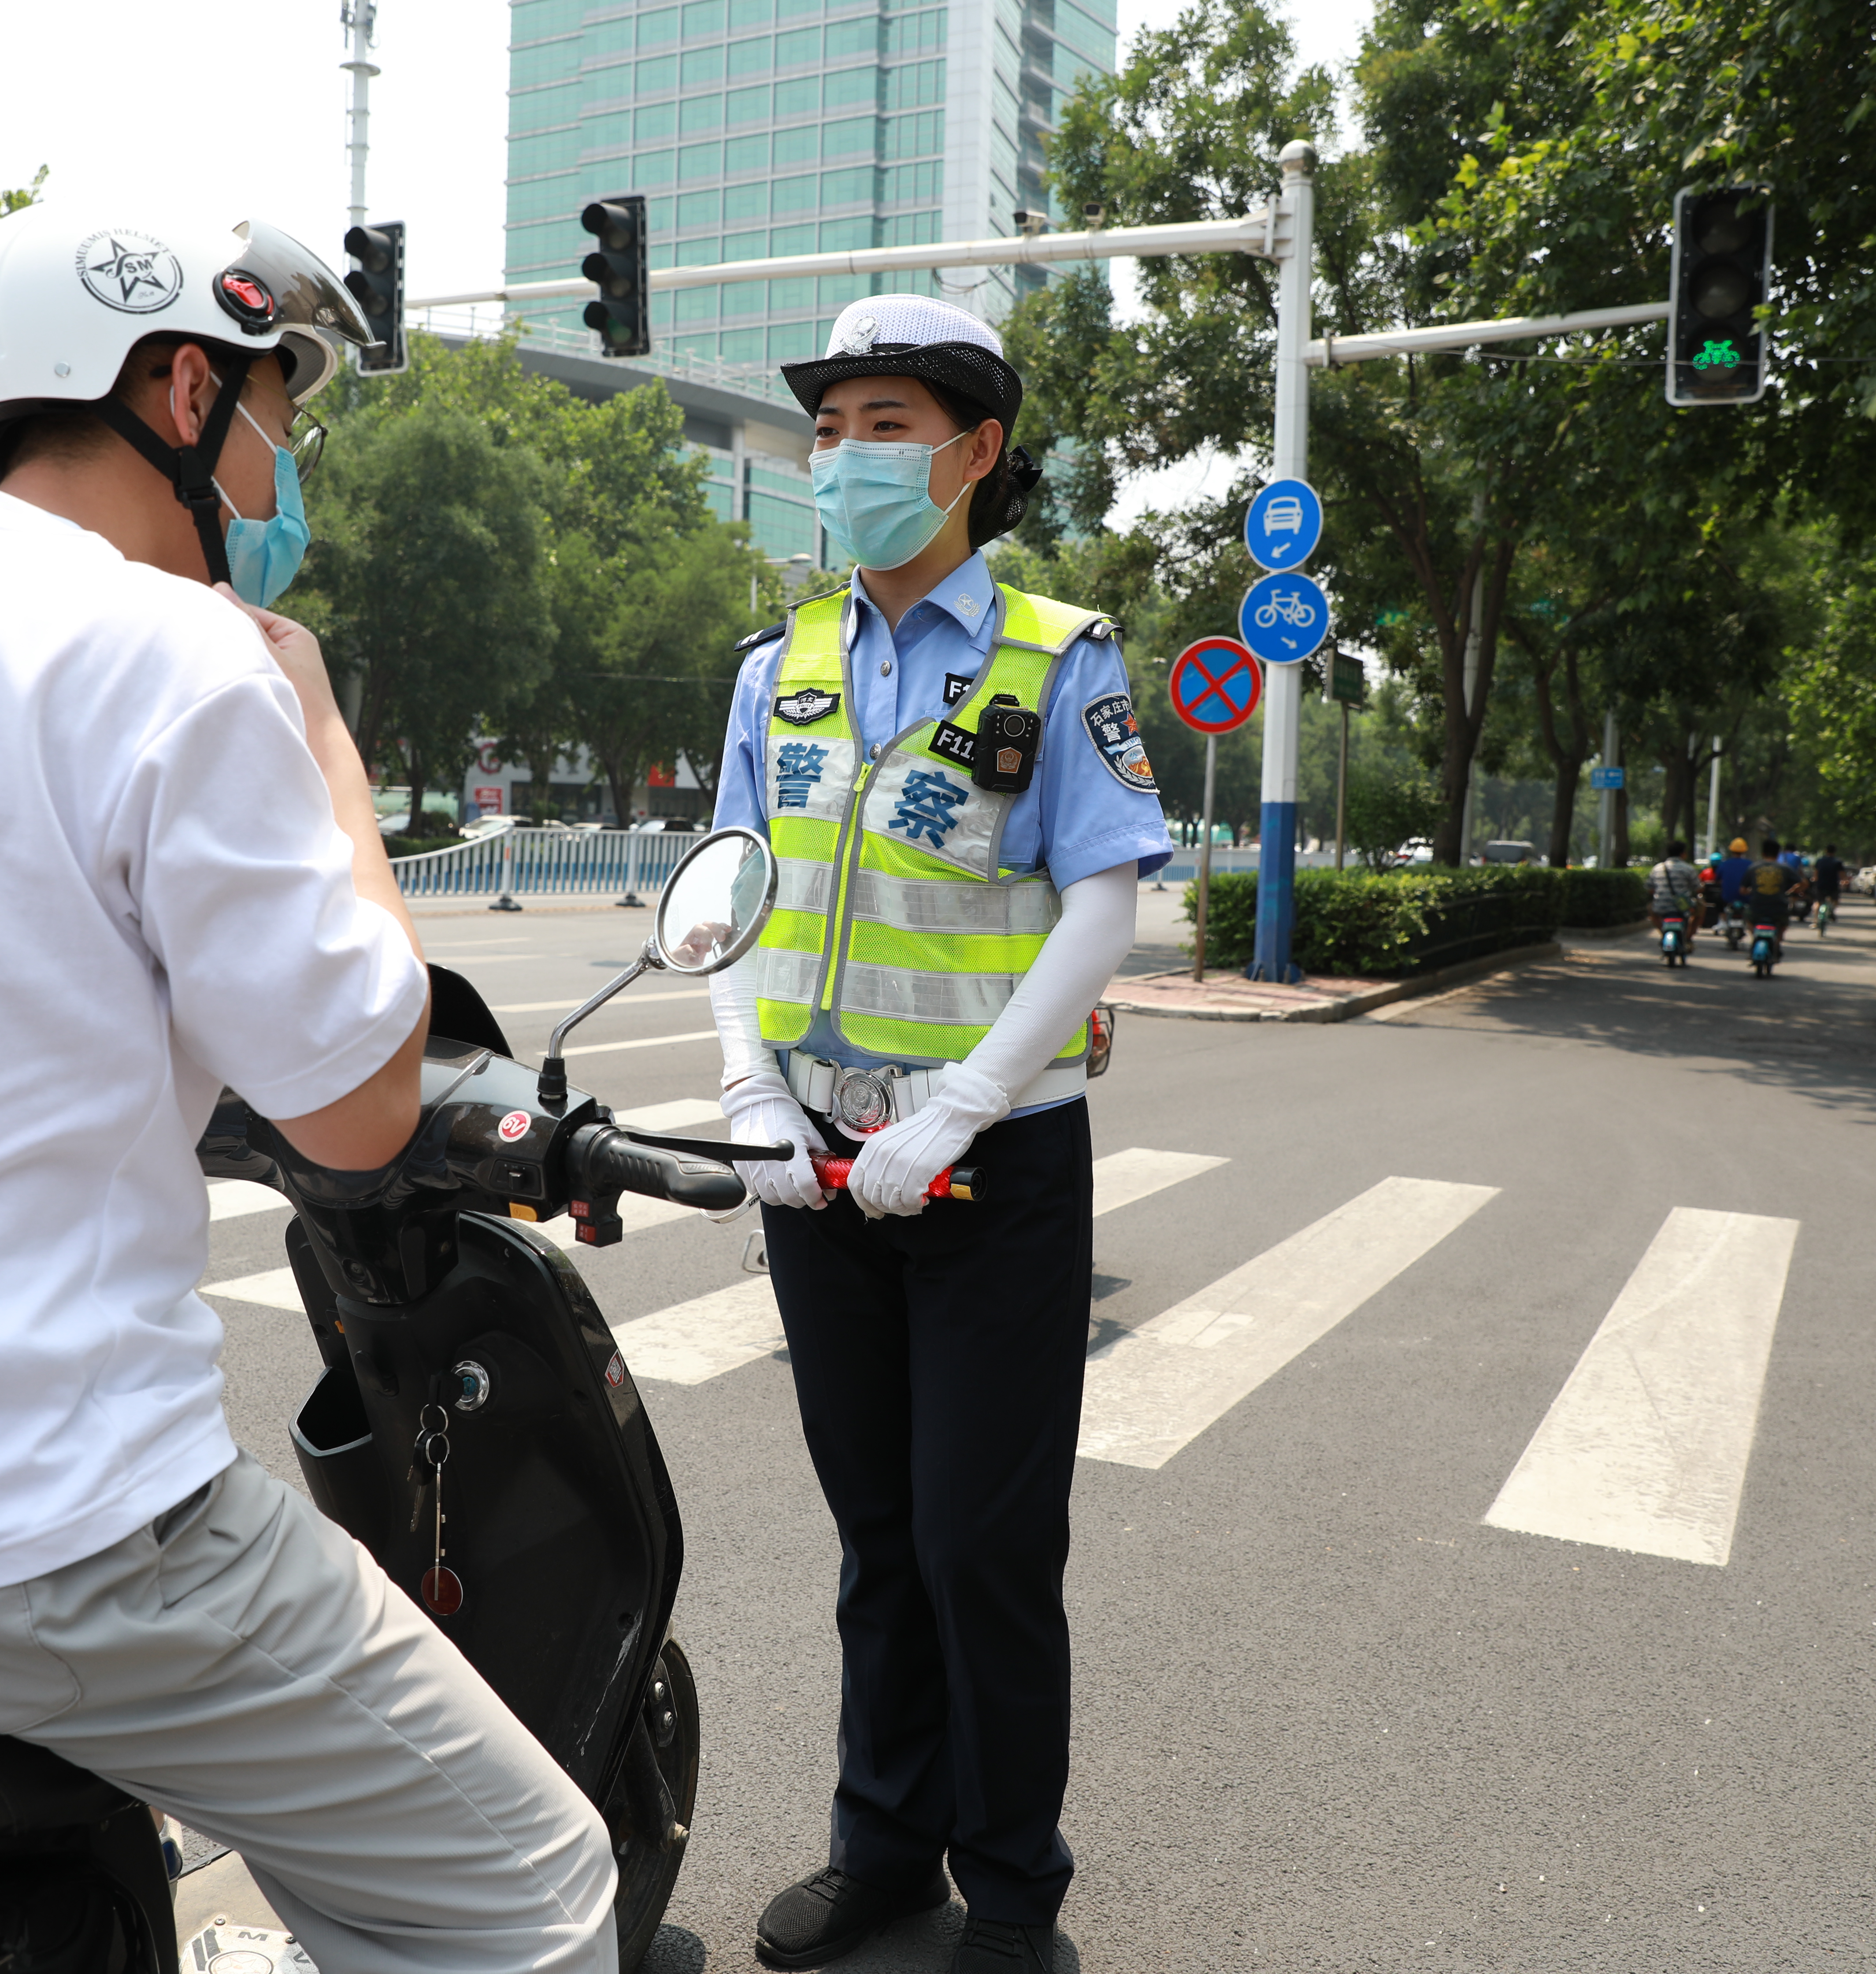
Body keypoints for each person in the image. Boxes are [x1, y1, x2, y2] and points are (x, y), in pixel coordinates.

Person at [0, 205, 619, 1974]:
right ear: (173, 388)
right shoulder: (173, 655)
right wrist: (320, 736)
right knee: (529, 1883)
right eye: (270, 416)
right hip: (35, 1537)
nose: (277, 471)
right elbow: (362, 1109)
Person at [707, 295, 1168, 1974]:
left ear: (970, 454)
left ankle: (1014, 1889)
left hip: (990, 1169)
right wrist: (751, 1089)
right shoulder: (783, 667)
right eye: (826, 431)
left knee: (984, 1541)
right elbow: (728, 899)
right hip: (815, 1165)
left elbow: (1101, 900)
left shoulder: (1058, 655)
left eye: (880, 426)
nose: (841, 460)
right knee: (876, 1534)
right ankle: (881, 1849)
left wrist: (968, 1100)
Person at [1646, 839, 1704, 947]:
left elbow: (1650, 889)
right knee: (1701, 909)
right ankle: (1688, 938)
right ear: (1683, 854)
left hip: (1661, 906)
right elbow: (1698, 889)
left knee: (1651, 910)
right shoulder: (1688, 869)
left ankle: (1663, 933)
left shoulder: (1657, 869)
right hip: (1683, 907)